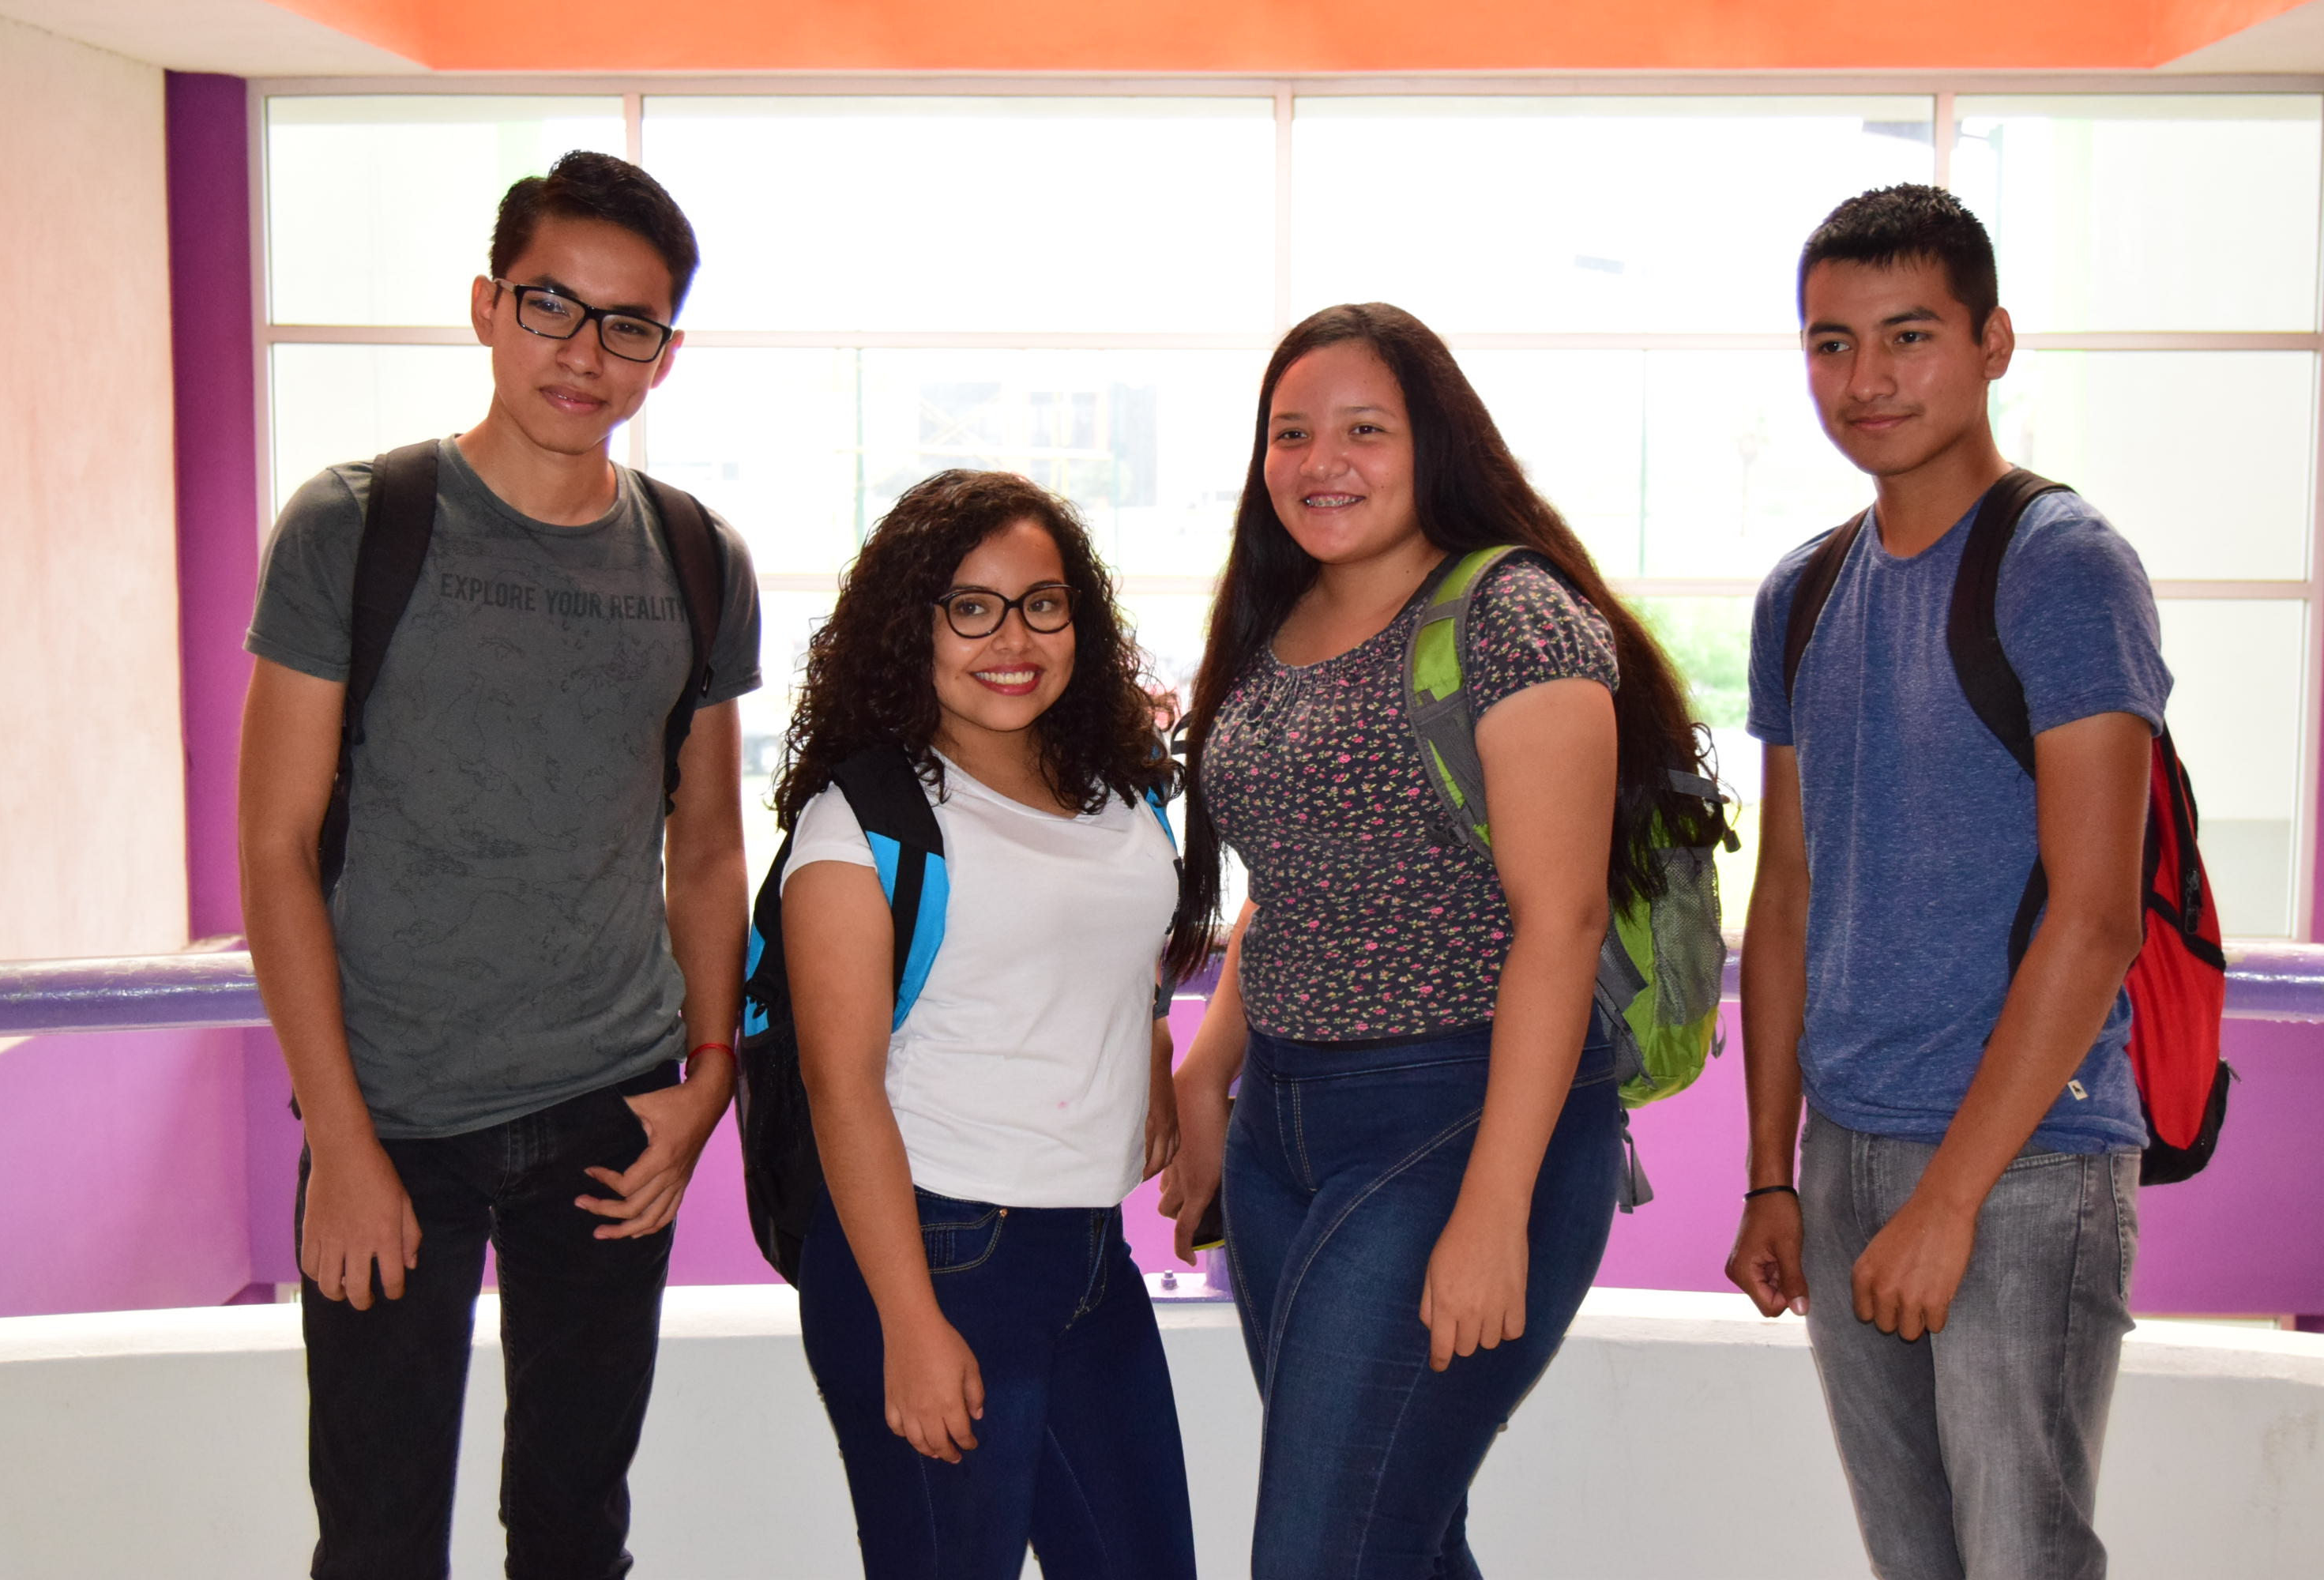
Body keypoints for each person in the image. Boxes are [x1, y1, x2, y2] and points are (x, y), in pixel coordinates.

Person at [238, 151, 759, 1578]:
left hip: (610, 1115)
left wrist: (709, 1079)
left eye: (627, 324)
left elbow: (709, 848)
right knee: (378, 1541)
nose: (584, 354)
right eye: (550, 306)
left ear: (663, 353)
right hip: (391, 1117)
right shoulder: (356, 525)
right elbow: (274, 849)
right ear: (487, 305)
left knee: (577, 1533)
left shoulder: (697, 557)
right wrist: (342, 1143)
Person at [1157, 302, 1724, 1578]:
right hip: (1280, 1135)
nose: (1321, 462)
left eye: (1365, 430)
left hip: (1457, 1120)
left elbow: (1563, 920)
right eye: (1290, 433)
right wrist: (1205, 1071)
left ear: (1437, 443)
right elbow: (1296, 882)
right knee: (1396, 1539)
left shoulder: (1512, 616)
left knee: (1323, 1555)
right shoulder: (1272, 621)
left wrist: (1494, 1209)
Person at [1725, 185, 2167, 1579]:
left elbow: (2097, 917)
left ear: (1993, 344)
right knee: (1915, 1563)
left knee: (2020, 1558)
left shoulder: (2064, 568)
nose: (1866, 378)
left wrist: (1950, 1199)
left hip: (2024, 1159)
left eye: (1908, 336)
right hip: (1845, 1152)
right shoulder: (1802, 591)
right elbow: (1785, 896)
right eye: (1831, 343)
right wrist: (1771, 1174)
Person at [777, 469, 1195, 1579]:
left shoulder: (1120, 788)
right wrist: (909, 1326)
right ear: (909, 625)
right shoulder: (865, 822)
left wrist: (1154, 1050)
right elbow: (840, 1088)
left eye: (1042, 604)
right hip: (937, 1248)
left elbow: (1121, 942)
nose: (1013, 639)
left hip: (1090, 1252)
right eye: (972, 607)